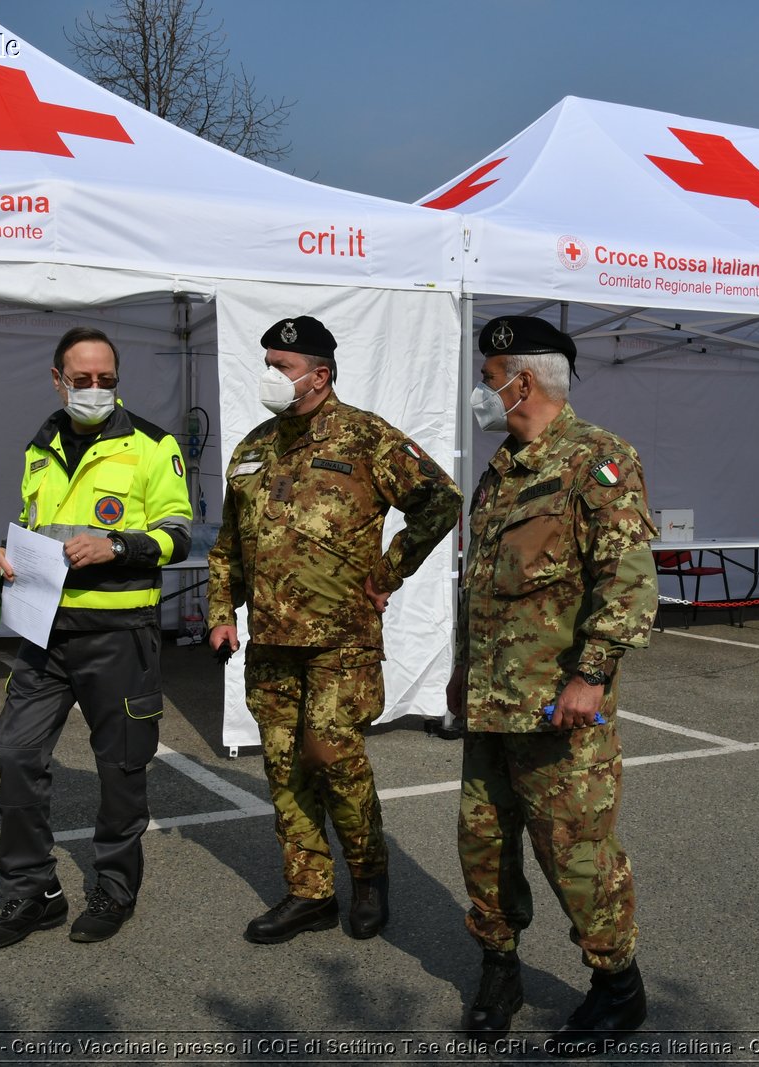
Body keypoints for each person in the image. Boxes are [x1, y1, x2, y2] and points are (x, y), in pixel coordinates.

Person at [208, 315, 461, 944]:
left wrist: (391, 571)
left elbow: (440, 500)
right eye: (266, 363)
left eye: (282, 367)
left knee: (335, 759)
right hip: (271, 643)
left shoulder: (367, 438)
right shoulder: (252, 447)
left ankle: (368, 877)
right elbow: (227, 547)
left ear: (319, 375)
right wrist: (219, 613)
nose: (269, 375)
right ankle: (309, 893)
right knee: (284, 768)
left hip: (340, 643)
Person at [450, 316, 657, 1054]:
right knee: (484, 844)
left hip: (557, 707)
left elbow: (628, 581)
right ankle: (499, 967)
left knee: (574, 852)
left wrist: (592, 674)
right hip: (491, 704)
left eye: (488, 373)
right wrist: (460, 673)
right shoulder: (501, 469)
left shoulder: (597, 461)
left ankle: (617, 986)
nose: (483, 387)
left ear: (523, 379)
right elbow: (484, 588)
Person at [0, 325, 192, 950]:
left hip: (120, 635)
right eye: (83, 379)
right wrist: (3, 551)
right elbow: (32, 526)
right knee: (16, 754)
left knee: (120, 768)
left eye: (107, 380)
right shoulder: (39, 448)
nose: (95, 389)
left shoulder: (153, 444)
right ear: (57, 378)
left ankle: (114, 890)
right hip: (45, 633)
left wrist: (117, 544)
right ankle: (31, 893)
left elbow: (180, 533)